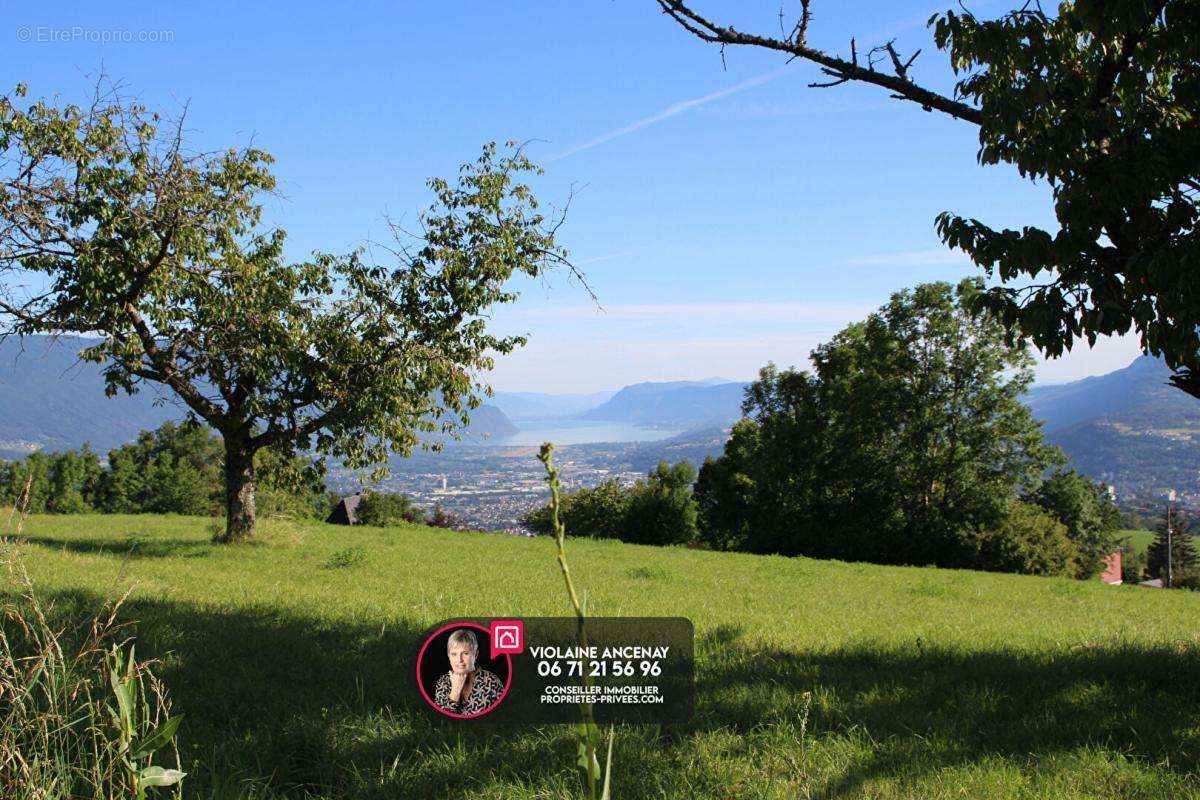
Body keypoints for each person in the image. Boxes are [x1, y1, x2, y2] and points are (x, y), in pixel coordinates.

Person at [433, 628, 504, 716]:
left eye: (465, 653)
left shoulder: (491, 682)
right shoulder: (443, 682)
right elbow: (440, 721)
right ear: (449, 656)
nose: (459, 660)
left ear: (476, 655)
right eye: (454, 654)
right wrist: (455, 691)